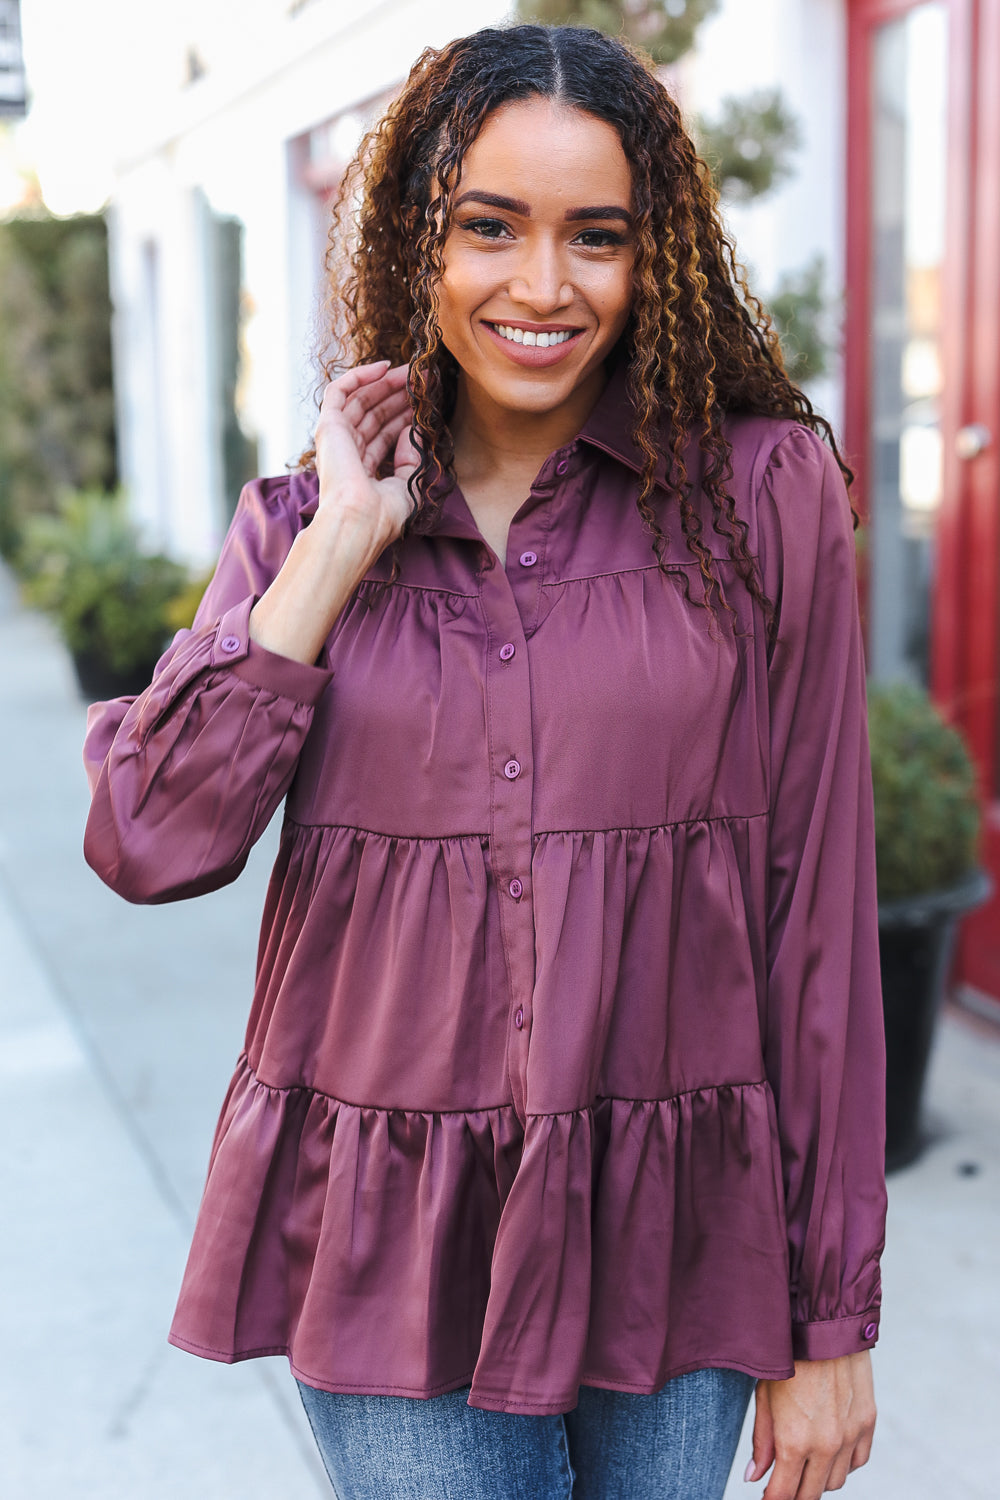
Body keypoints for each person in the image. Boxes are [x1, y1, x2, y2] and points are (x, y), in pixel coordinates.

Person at [83, 22, 887, 1500]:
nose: (542, 286)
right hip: (392, 1243)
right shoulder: (299, 525)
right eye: (490, 227)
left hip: (673, 1229)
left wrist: (832, 1309)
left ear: (659, 259)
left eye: (598, 236)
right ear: (420, 239)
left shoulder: (760, 497)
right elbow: (147, 837)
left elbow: (816, 908)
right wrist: (336, 548)